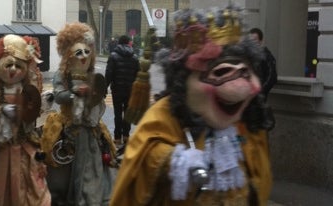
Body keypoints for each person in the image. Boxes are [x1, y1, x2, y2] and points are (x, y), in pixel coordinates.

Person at [111, 7, 274, 205]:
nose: (241, 88)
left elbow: (259, 173)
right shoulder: (165, 113)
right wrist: (173, 159)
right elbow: (143, 154)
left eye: (245, 72)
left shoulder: (245, 121)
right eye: (221, 72)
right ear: (184, 79)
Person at [40, 22, 116, 206]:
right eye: (78, 53)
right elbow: (58, 97)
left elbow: (98, 96)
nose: (83, 57)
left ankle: (91, 196)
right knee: (63, 170)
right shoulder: (62, 75)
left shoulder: (93, 75)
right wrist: (75, 93)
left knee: (95, 165)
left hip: (90, 128)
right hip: (68, 127)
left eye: (86, 52)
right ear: (69, 55)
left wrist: (96, 93)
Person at [0, 34, 50, 206]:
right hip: (1, 141)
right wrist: (3, 110)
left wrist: (34, 110)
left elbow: (34, 111)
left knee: (27, 173)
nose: (13, 69)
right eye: (9, 64)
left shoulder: (27, 88)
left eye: (18, 65)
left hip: (23, 138)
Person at [105, 35, 139, 145]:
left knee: (118, 113)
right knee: (128, 113)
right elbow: (138, 75)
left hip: (117, 90)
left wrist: (104, 87)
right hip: (130, 90)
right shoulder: (134, 57)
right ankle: (126, 136)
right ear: (128, 43)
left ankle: (117, 137)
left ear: (118, 43)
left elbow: (109, 74)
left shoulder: (113, 56)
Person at [249, 27, 277, 100]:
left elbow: (272, 77)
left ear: (260, 41)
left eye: (255, 40)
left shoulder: (266, 56)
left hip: (259, 97)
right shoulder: (248, 56)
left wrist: (261, 91)